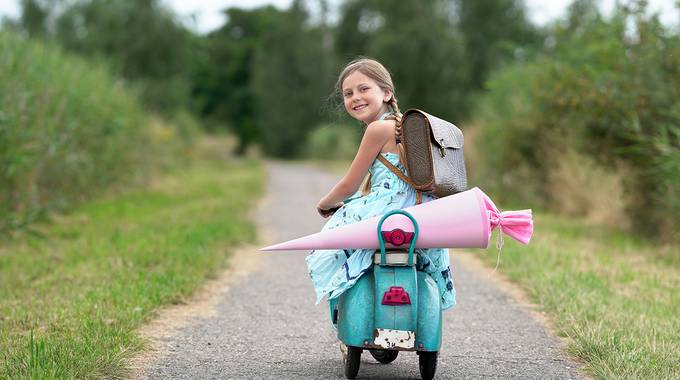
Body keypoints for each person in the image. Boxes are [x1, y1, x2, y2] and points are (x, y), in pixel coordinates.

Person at [305, 57, 455, 324]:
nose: (355, 98)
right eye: (348, 93)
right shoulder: (403, 128)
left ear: (386, 92)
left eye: (364, 89)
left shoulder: (377, 129)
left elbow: (349, 185)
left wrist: (325, 203)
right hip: (423, 213)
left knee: (332, 244)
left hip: (390, 211)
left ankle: (345, 306)